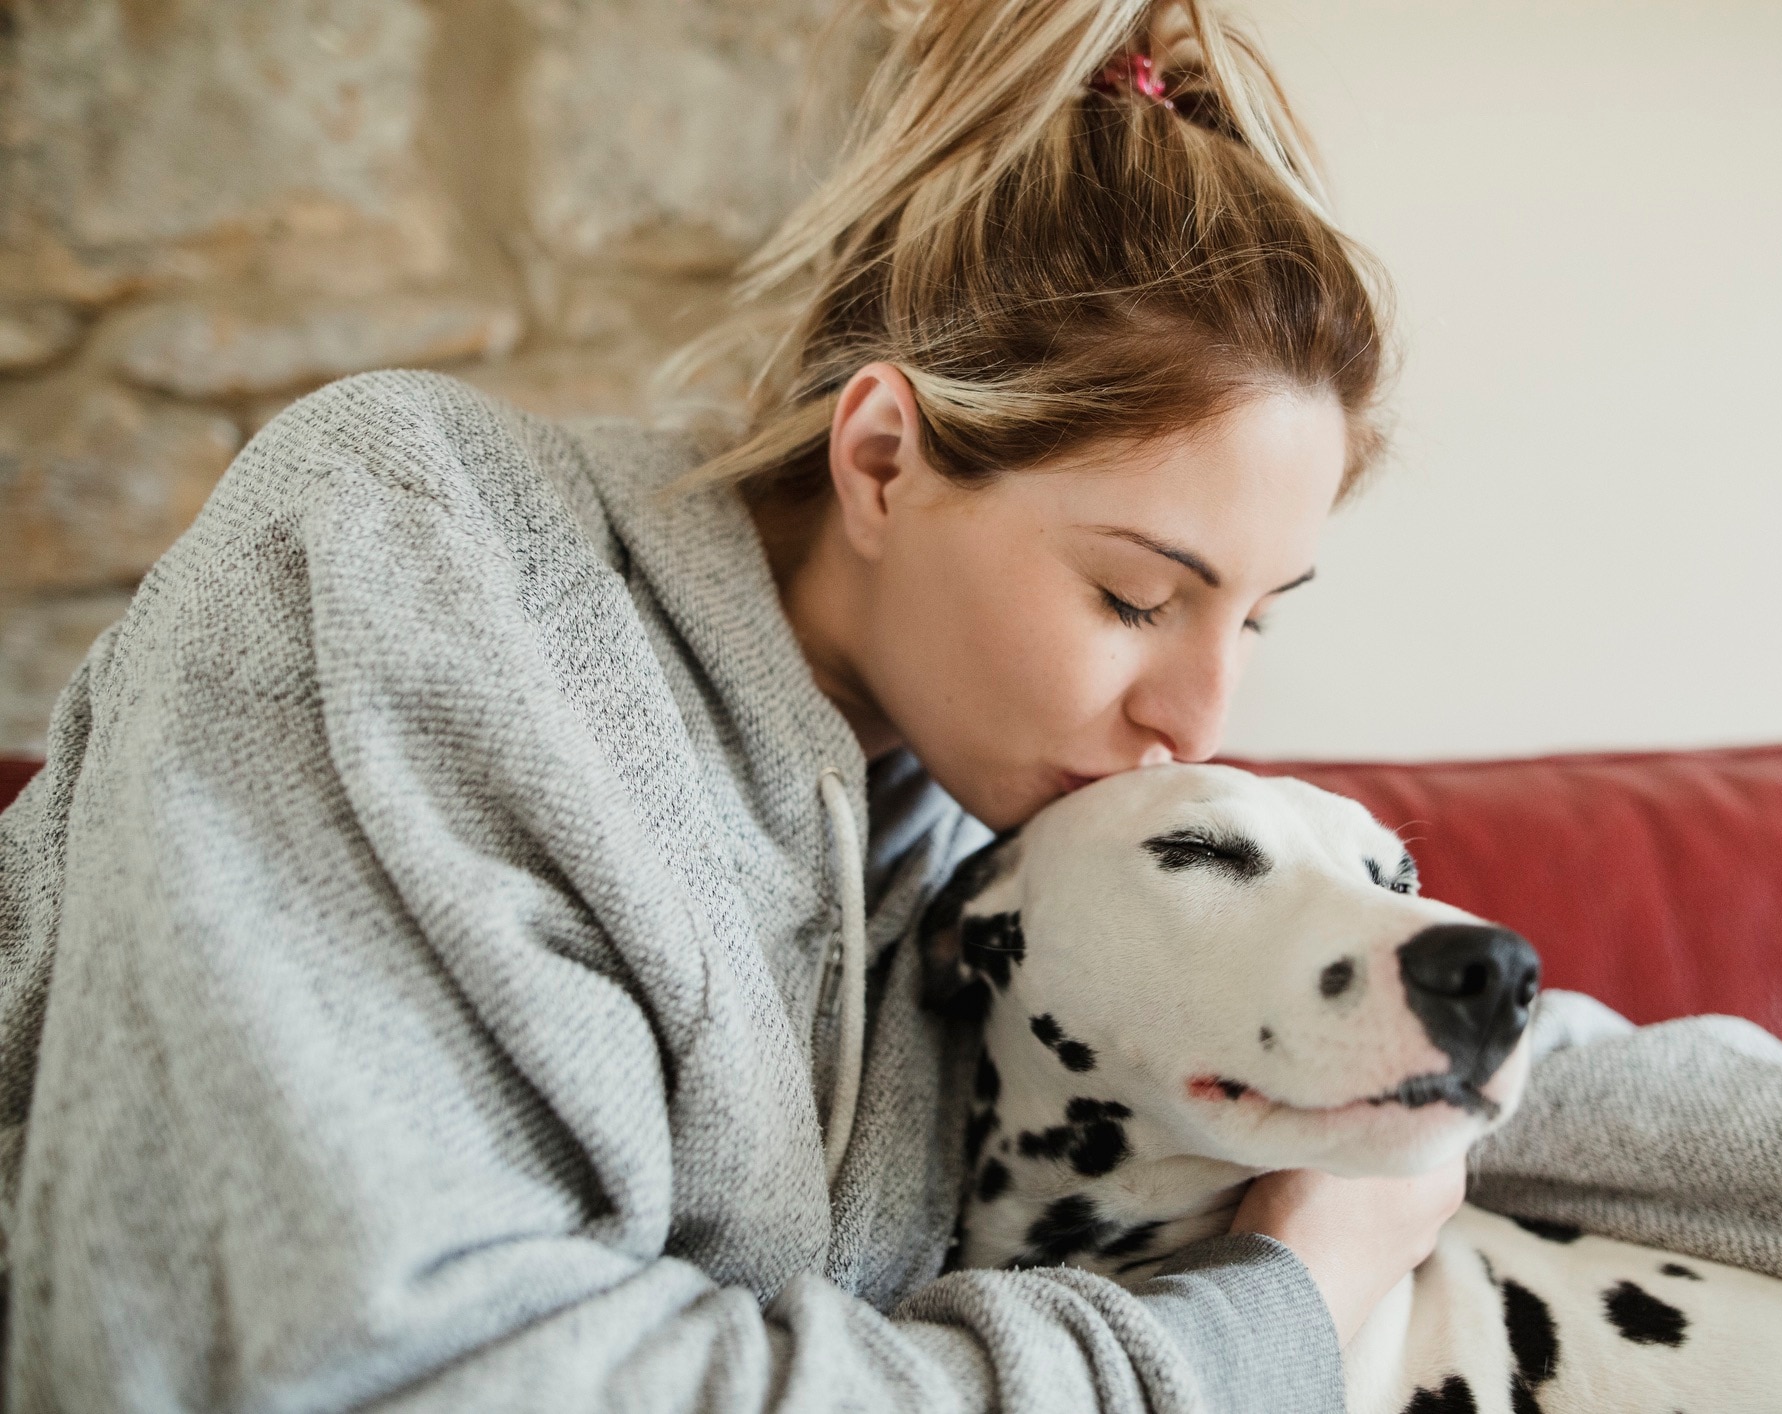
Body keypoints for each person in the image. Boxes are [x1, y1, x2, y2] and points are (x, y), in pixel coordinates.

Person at [0, 1, 1466, 1408]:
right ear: (884, 457)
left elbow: (1519, 1046)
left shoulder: (1004, 837)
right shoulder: (410, 543)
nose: (1196, 720)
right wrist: (1280, 1307)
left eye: (1255, 617)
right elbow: (359, 1373)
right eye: (1136, 598)